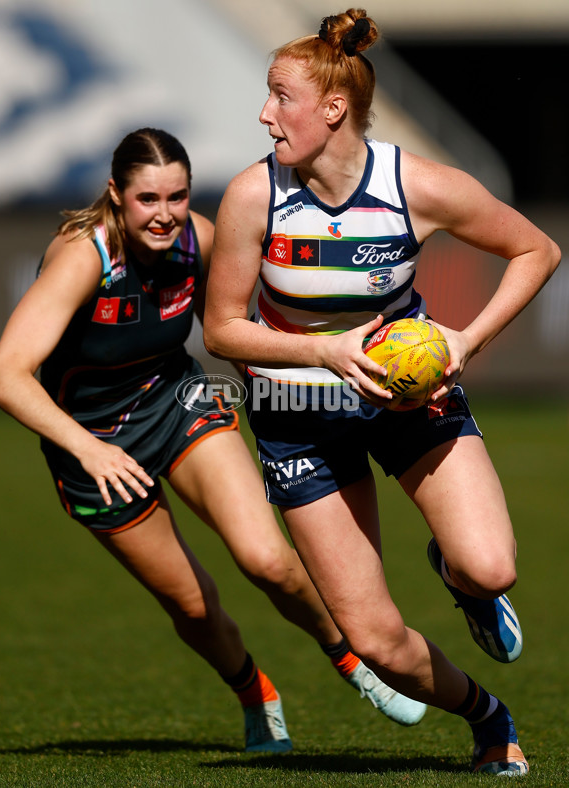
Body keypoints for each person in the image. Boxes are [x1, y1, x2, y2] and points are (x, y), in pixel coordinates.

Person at [0, 127, 426, 754]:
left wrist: (304, 386)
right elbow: (5, 377)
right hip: (94, 445)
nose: (164, 214)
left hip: (177, 403)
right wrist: (89, 448)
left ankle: (353, 659)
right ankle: (254, 692)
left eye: (177, 196)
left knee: (268, 560)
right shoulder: (85, 257)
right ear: (116, 194)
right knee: (193, 606)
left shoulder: (199, 238)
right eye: (147, 199)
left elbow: (232, 330)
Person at [203, 9, 561, 775]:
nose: (265, 114)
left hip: (407, 399)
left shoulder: (416, 185)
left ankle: (463, 581)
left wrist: (466, 340)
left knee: (491, 568)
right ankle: (488, 718)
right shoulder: (253, 196)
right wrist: (322, 350)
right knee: (374, 641)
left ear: (334, 108)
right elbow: (223, 331)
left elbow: (536, 248)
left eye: (281, 98)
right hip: (296, 415)